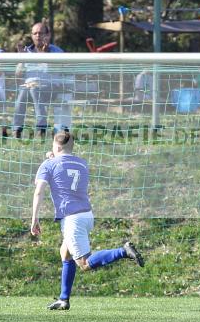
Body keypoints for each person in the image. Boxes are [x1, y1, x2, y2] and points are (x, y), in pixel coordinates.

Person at [30, 131, 144, 310]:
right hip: (86, 214)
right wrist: (53, 158)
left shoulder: (48, 165)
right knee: (65, 252)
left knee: (84, 263)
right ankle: (63, 299)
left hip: (71, 220)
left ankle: (123, 251)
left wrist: (34, 218)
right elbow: (64, 169)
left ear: (56, 146)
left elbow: (39, 191)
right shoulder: (82, 163)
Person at [10, 20, 69, 138]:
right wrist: (21, 59)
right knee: (24, 90)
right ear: (32, 36)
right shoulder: (26, 51)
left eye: (41, 33)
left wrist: (45, 55)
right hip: (29, 88)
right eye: (35, 33)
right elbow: (18, 76)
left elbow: (59, 71)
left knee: (34, 89)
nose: (38, 36)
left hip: (51, 88)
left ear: (48, 35)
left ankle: (41, 129)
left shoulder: (56, 51)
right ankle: (16, 129)